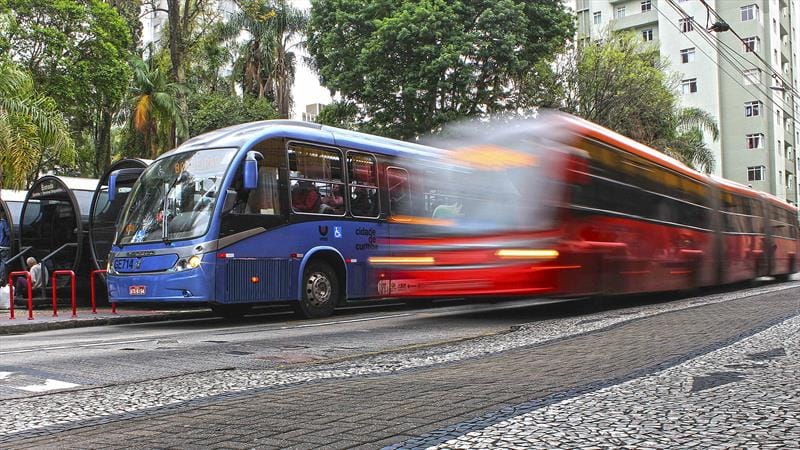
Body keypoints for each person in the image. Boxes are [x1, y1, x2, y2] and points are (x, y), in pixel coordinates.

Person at [0, 211, 9, 287]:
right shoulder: (4, 223)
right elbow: (8, 233)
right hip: (5, 246)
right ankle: (2, 278)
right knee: (4, 262)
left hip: (0, 246)